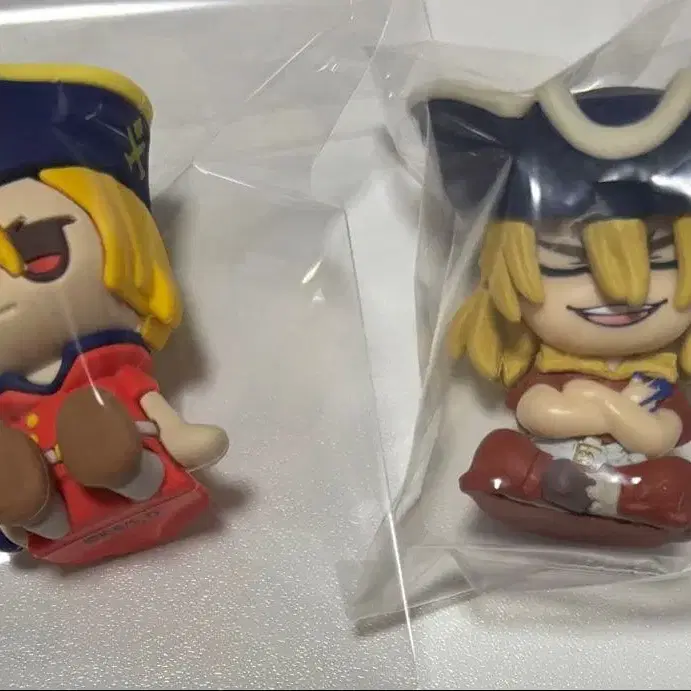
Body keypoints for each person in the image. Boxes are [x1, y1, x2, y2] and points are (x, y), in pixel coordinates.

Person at [417, 82, 691, 546]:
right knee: (500, 453)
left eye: (662, 260)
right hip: (550, 467)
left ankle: (611, 498)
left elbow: (656, 440)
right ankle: (559, 490)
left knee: (675, 481)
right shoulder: (553, 368)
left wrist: (600, 402)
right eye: (567, 263)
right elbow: (539, 414)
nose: (622, 294)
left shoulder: (662, 381)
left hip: (631, 478)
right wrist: (617, 410)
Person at [0, 63, 228, 564]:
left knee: (101, 420)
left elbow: (154, 409)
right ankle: (38, 510)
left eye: (38, 248)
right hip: (49, 517)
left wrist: (181, 439)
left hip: (148, 478)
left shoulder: (108, 367)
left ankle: (132, 474)